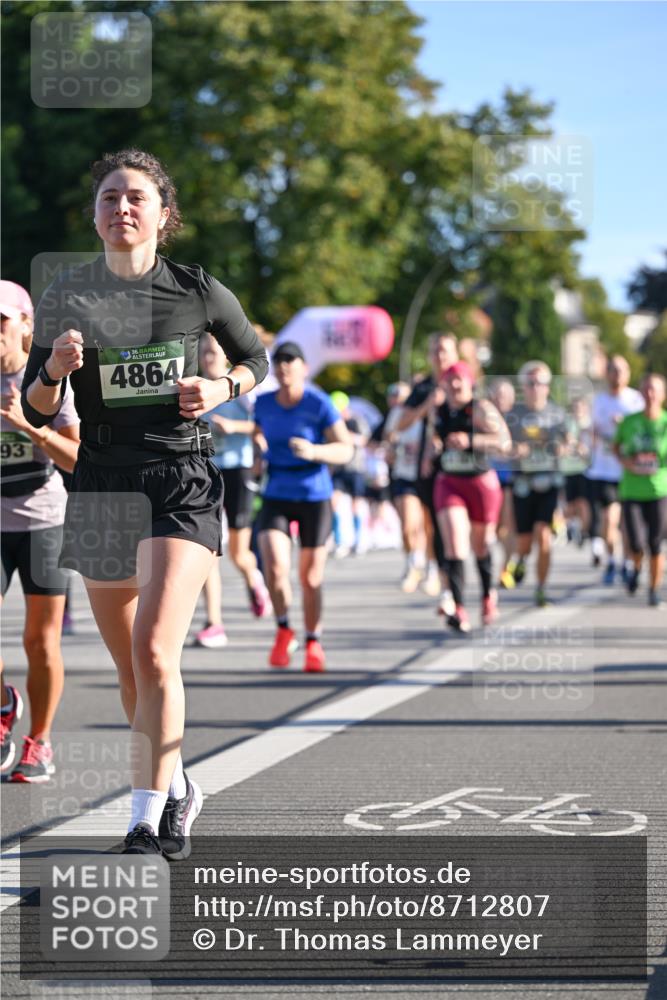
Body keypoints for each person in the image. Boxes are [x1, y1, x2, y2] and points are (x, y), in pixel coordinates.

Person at [20, 149, 267, 855]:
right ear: (95, 215)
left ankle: (143, 819)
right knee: (131, 671)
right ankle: (179, 784)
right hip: (102, 483)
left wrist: (220, 389)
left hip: (178, 478)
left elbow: (255, 359)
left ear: (163, 215)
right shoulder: (68, 294)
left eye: (136, 197)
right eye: (109, 197)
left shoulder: (195, 288)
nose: (121, 208)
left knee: (156, 653)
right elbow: (36, 406)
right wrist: (55, 371)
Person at [1, 281, 80, 779]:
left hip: (43, 520)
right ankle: (4, 704)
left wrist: (30, 426)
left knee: (40, 640)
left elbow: (77, 459)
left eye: (1, 321)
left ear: (26, 326)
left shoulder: (47, 378)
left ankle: (40, 741)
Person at [253, 341, 352, 672]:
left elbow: (346, 449)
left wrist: (315, 451)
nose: (284, 366)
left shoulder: (318, 403)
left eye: (291, 360)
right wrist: (257, 452)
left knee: (310, 578)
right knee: (274, 565)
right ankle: (284, 629)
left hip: (314, 494)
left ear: (304, 368)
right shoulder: (264, 404)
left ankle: (313, 641)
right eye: (279, 360)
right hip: (277, 491)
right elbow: (258, 433)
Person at [195, 333, 271, 648]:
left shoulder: (239, 387)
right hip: (206, 473)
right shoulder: (194, 386)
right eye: (203, 352)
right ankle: (214, 623)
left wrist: (234, 427)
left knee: (239, 553)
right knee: (207, 552)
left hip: (238, 471)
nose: (208, 357)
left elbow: (264, 425)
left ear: (225, 356)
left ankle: (254, 580)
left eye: (213, 352)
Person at [432, 361, 508, 631]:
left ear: (469, 382)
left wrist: (471, 441)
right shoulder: (438, 410)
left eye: (459, 380)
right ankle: (459, 607)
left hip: (480, 483)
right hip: (449, 482)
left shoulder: (480, 408)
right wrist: (433, 448)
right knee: (454, 543)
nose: (454, 385)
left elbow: (505, 442)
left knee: (481, 545)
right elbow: (433, 438)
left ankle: (488, 596)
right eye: (449, 380)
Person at [396, 333, 459, 607]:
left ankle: (450, 583)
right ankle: (436, 575)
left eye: (445, 350)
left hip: (458, 468)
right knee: (428, 523)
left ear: (455, 353)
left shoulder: (463, 383)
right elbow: (400, 423)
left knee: (449, 528)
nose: (440, 356)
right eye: (436, 351)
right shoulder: (423, 388)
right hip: (426, 467)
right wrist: (426, 406)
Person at [505, 361, 570, 607]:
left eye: (540, 383)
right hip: (523, 484)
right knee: (524, 541)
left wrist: (562, 447)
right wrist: (515, 450)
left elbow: (568, 442)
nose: (535, 388)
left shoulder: (557, 414)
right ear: (523, 387)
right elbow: (502, 445)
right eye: (530, 383)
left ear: (547, 387)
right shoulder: (514, 415)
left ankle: (541, 588)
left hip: (549, 482)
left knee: (543, 535)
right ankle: (521, 560)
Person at [585, 356, 643, 583]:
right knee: (609, 521)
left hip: (629, 471)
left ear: (628, 373)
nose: (617, 374)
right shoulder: (599, 401)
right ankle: (611, 560)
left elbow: (643, 431)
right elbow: (590, 431)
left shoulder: (635, 400)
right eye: (613, 370)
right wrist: (594, 436)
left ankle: (627, 562)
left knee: (628, 524)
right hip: (603, 470)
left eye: (621, 370)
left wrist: (624, 427)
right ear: (607, 373)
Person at [614, 373, 667, 606]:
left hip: (659, 491)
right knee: (635, 543)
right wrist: (627, 462)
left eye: (654, 389)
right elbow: (615, 447)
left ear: (663, 395)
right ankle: (636, 567)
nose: (650, 394)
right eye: (646, 389)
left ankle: (654, 589)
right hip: (632, 491)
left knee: (655, 543)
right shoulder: (629, 422)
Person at [383, 382, 428, 592]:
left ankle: (430, 566)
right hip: (403, 473)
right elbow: (388, 438)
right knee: (408, 524)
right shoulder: (397, 414)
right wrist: (390, 449)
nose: (398, 400)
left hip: (425, 475)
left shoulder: (428, 414)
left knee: (425, 525)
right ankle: (413, 562)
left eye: (402, 396)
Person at [329, 391, 370, 557]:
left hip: (355, 468)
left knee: (356, 504)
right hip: (338, 468)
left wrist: (349, 437)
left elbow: (365, 440)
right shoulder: (332, 423)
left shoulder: (356, 421)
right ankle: (339, 540)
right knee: (333, 502)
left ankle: (359, 539)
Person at [488, 377, 517, 590]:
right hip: (487, 477)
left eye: (505, 395)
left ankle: (505, 569)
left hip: (509, 479)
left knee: (507, 526)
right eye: (497, 395)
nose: (500, 399)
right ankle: (498, 564)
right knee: (494, 528)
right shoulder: (484, 418)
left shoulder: (518, 420)